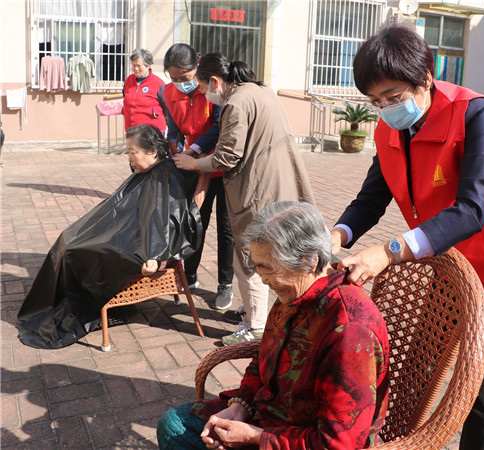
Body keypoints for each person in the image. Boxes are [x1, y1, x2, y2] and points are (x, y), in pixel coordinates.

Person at [330, 25, 484, 450]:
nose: (385, 109)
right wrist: (337, 235)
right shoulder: (388, 129)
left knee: (483, 393)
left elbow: (473, 208)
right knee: (418, 367)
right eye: (375, 101)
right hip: (450, 260)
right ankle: (399, 439)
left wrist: (391, 251)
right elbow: (370, 198)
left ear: (425, 79)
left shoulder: (477, 114)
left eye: (393, 97)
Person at [157, 201, 390, 449]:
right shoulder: (295, 290)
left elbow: (339, 443)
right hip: (271, 414)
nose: (263, 278)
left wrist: (255, 437)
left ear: (310, 261)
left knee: (176, 431)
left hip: (300, 438)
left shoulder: (348, 331)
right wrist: (240, 406)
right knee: (174, 425)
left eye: (266, 268)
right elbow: (263, 358)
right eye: (258, 266)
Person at [17, 124, 203, 349]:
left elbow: (168, 227)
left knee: (76, 250)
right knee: (68, 239)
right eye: (127, 152)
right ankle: (61, 301)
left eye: (132, 152)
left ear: (152, 152)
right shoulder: (146, 174)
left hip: (142, 249)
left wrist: (157, 257)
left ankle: (78, 305)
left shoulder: (166, 177)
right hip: (130, 236)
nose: (129, 158)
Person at [173, 53, 314, 345]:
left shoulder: (235, 102)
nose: (203, 94)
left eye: (202, 88)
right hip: (280, 179)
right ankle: (261, 311)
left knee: (251, 257)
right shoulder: (260, 90)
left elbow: (227, 156)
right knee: (277, 250)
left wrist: (193, 164)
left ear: (215, 81)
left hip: (259, 187)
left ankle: (256, 327)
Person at [163, 43, 235, 309]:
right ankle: (188, 275)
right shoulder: (168, 92)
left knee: (227, 228)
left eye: (185, 77)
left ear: (197, 68)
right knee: (195, 221)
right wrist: (175, 148)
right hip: (194, 165)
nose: (180, 83)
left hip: (221, 162)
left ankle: (225, 284)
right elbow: (173, 129)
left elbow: (218, 126)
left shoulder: (211, 88)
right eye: (173, 78)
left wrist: (193, 150)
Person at [122, 49, 167, 133]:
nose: (136, 69)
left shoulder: (158, 84)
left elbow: (166, 107)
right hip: (132, 131)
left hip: (152, 132)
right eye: (134, 65)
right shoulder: (128, 81)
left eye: (139, 66)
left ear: (147, 65)